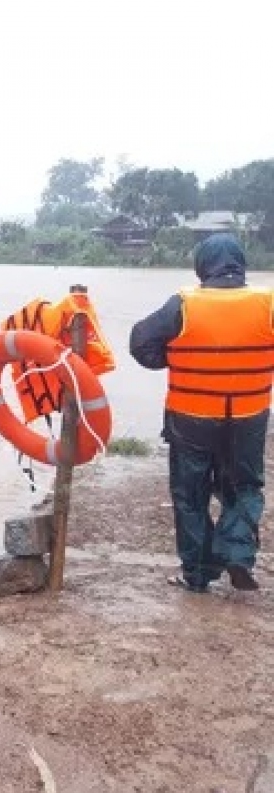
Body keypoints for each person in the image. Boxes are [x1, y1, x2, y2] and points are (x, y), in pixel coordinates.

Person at [130, 233, 270, 593]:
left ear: (201, 267)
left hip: (190, 416)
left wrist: (170, 360)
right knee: (245, 489)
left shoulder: (183, 303)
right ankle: (237, 554)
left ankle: (198, 573)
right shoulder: (268, 302)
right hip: (249, 416)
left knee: (191, 495)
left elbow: (140, 341)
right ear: (240, 265)